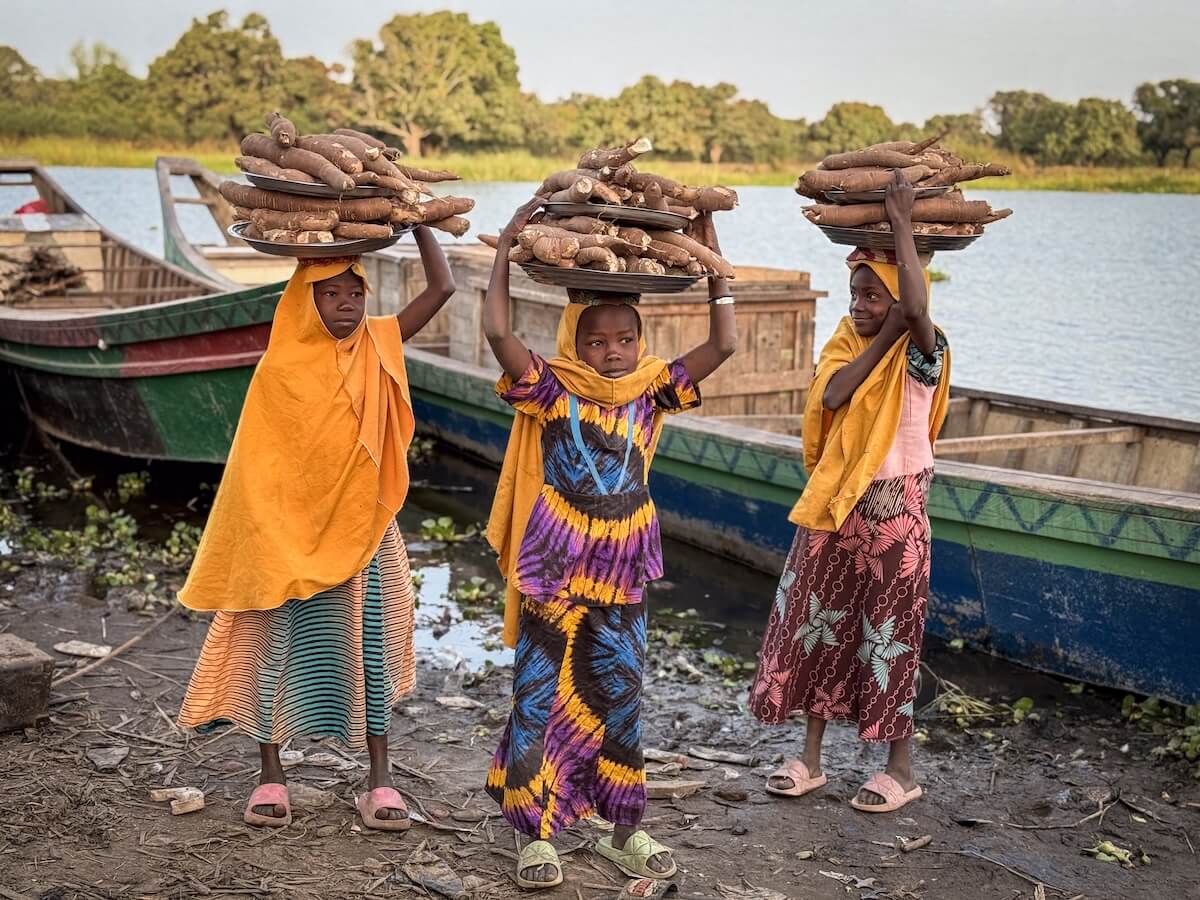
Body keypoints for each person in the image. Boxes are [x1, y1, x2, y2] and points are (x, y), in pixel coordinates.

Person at [482, 199, 737, 889]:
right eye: (597, 341)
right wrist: (506, 249)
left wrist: (715, 267)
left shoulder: (652, 395)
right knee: (539, 697)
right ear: (574, 343)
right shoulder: (551, 389)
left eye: (625, 338)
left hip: (624, 574)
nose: (613, 350)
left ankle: (625, 827)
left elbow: (724, 347)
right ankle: (533, 834)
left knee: (620, 694)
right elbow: (498, 331)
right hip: (556, 571)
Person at [176, 226, 455, 831]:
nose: (349, 302)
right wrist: (267, 541)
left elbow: (443, 286)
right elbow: (260, 470)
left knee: (370, 648)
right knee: (272, 653)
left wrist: (418, 223)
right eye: (330, 294)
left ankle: (379, 781)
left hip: (363, 531)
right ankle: (270, 776)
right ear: (306, 301)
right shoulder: (279, 370)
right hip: (285, 541)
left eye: (356, 290)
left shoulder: (378, 343)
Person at [749, 171, 951, 814]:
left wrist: (901, 228)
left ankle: (900, 769)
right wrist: (883, 328)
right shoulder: (847, 347)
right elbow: (835, 397)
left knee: (890, 637)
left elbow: (916, 312)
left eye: (871, 295)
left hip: (894, 520)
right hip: (835, 511)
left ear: (897, 299)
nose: (858, 305)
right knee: (818, 630)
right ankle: (810, 758)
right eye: (854, 293)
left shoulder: (925, 353)